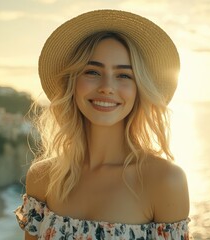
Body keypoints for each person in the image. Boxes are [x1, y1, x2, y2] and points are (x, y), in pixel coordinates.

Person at [15, 9, 190, 240]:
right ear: (73, 83)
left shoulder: (165, 181)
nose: (107, 86)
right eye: (92, 71)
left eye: (124, 75)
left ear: (139, 90)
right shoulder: (42, 177)